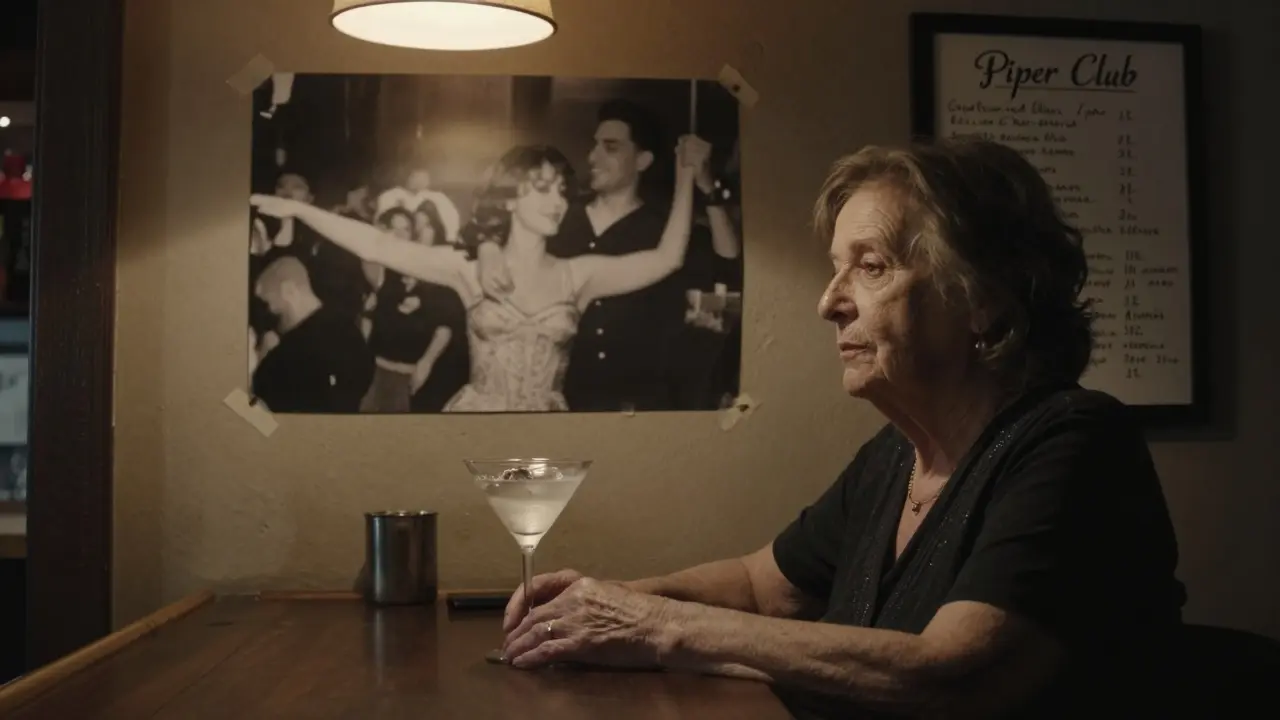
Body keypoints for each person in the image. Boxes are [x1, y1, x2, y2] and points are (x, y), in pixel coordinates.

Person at [494, 138, 1186, 719]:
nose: (829, 303)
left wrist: (657, 627)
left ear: (984, 302)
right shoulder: (896, 455)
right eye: (835, 270)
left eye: (871, 267)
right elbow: (762, 583)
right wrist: (603, 600)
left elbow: (950, 674)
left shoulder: (1075, 443)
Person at [249, 135, 708, 412]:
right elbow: (377, 244)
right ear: (509, 197)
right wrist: (297, 209)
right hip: (476, 427)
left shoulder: (578, 275)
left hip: (551, 433)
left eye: (562, 191)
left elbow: (667, 259)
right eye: (542, 189)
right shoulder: (466, 269)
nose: (557, 202)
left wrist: (687, 175)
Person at [471, 99, 742, 412]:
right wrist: (487, 247)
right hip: (564, 406)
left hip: (637, 408)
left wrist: (706, 183)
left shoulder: (668, 231)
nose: (592, 156)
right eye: (594, 145)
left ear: (642, 160)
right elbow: (489, 225)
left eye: (610, 147)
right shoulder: (555, 219)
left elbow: (728, 265)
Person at [250, 255, 374, 413]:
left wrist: (259, 360)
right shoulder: (349, 330)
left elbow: (261, 411)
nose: (271, 312)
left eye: (269, 304)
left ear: (289, 291)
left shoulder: (289, 353)